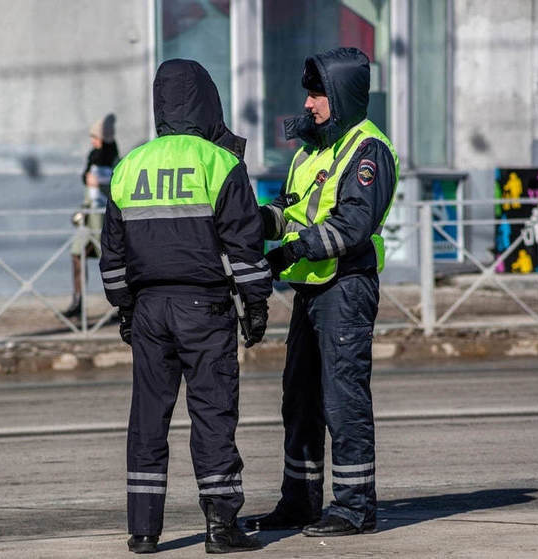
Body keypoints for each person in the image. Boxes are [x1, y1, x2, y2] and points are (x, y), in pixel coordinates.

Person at [99, 59, 272, 554]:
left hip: (149, 310)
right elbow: (244, 245)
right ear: (208, 101)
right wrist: (256, 306)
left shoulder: (130, 164)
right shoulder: (219, 163)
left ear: (159, 104)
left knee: (148, 419)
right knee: (213, 414)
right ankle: (221, 529)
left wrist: (125, 308)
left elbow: (112, 254)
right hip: (205, 307)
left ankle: (144, 532)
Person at [247, 47, 399, 537]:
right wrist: (250, 223)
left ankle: (355, 507)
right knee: (300, 398)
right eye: (309, 93)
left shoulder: (366, 149)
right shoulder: (312, 151)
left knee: (342, 399)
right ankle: (300, 502)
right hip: (312, 289)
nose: (309, 104)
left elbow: (352, 225)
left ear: (342, 95)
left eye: (318, 94)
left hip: (346, 286)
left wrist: (291, 252)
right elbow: (290, 212)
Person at [63, 114, 119, 318]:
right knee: (77, 254)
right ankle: (77, 300)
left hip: (104, 217)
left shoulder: (113, 157)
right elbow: (86, 179)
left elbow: (116, 181)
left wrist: (101, 183)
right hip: (88, 214)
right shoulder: (92, 155)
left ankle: (121, 304)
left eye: (95, 137)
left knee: (111, 259)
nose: (92, 141)